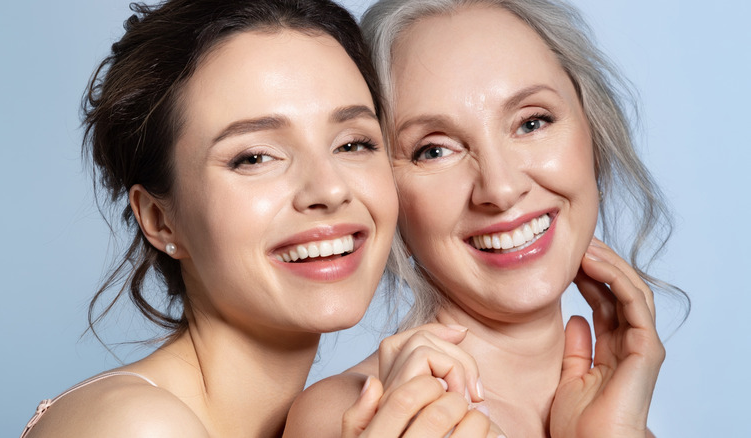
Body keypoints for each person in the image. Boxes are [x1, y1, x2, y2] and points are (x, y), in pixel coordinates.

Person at [285, 0, 688, 437]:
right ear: (386, 189)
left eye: (532, 123)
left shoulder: (617, 419)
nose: (499, 187)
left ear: (595, 134)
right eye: (434, 150)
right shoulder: (354, 415)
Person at [18, 0, 403, 436]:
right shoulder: (137, 425)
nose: (330, 190)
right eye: (254, 157)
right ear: (160, 219)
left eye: (353, 144)